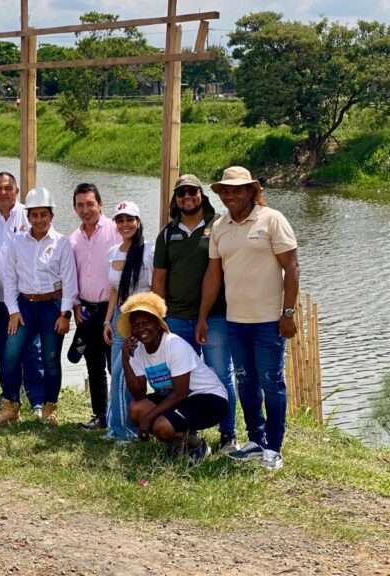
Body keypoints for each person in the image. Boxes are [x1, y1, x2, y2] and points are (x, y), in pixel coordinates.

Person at [197, 166, 300, 471]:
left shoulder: (272, 220)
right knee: (245, 382)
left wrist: (288, 313)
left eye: (238, 189)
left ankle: (274, 448)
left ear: (252, 191)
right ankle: (255, 440)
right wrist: (203, 315)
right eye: (226, 190)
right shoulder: (220, 227)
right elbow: (213, 276)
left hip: (269, 321)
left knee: (271, 382)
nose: (231, 195)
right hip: (236, 321)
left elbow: (292, 268)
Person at [152, 174, 237, 453]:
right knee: (179, 380)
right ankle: (185, 433)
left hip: (214, 318)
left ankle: (228, 435)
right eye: (181, 193)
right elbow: (159, 280)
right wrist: (158, 318)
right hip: (176, 317)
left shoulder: (219, 226)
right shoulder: (167, 233)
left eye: (192, 192)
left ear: (202, 195)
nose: (187, 197)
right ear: (175, 199)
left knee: (220, 376)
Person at [0, 187, 78, 426]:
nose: (39, 220)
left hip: (52, 306)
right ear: (28, 217)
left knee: (50, 358)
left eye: (43, 215)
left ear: (51, 216)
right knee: (10, 354)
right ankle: (11, 407)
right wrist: (13, 311)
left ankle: (49, 409)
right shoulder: (17, 242)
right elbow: (9, 279)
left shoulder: (62, 243)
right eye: (34, 215)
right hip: (24, 306)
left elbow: (70, 281)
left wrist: (65, 314)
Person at [120, 292, 228, 463]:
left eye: (146, 322)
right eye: (136, 325)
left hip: (209, 398)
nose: (141, 329)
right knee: (136, 409)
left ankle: (197, 445)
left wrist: (148, 419)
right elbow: (138, 394)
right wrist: (125, 359)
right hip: (179, 397)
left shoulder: (174, 345)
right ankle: (181, 442)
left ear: (158, 324)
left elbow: (181, 393)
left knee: (161, 426)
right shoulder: (138, 351)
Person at [0, 172, 45, 415]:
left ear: (16, 191)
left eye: (8, 188)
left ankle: (38, 399)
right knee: (4, 348)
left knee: (31, 348)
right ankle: (9, 396)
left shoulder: (30, 215)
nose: (3, 192)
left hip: (26, 297)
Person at [68, 183, 121, 429]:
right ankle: (100, 415)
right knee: (94, 365)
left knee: (117, 365)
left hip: (112, 308)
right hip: (86, 311)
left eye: (90, 204)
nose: (85, 209)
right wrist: (75, 306)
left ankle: (121, 415)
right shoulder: (74, 239)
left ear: (100, 204)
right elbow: (71, 276)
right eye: (80, 205)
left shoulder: (115, 230)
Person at [100, 201, 153, 440]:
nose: (125, 224)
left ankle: (128, 428)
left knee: (131, 373)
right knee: (118, 372)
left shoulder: (148, 251)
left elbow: (154, 288)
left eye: (129, 219)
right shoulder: (113, 252)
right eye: (120, 220)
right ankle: (116, 426)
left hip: (142, 317)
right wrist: (107, 321)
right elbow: (114, 291)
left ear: (138, 222)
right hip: (120, 317)